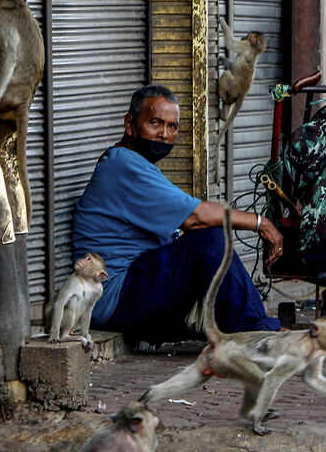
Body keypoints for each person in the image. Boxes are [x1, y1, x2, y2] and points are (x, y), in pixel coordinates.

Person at [72, 84, 282, 343]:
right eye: (155, 123)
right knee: (211, 240)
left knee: (203, 243)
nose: (164, 134)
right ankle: (257, 334)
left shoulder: (131, 163)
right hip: (114, 297)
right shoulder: (123, 165)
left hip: (124, 295)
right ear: (130, 124)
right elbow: (195, 217)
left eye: (172, 126)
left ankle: (242, 329)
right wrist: (260, 222)